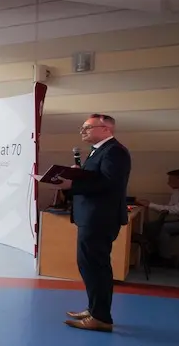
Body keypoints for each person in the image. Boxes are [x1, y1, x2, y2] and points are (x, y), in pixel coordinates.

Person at [47, 114, 132, 332]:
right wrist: (78, 176)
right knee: (89, 265)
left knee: (96, 267)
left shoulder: (114, 151)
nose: (82, 131)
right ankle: (94, 309)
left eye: (87, 127)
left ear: (106, 129)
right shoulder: (99, 151)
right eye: (82, 127)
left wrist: (71, 185)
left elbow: (109, 184)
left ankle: (101, 317)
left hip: (100, 218)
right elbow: (97, 179)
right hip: (92, 217)